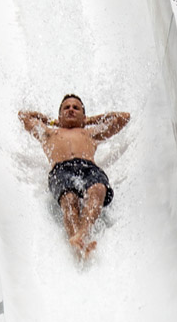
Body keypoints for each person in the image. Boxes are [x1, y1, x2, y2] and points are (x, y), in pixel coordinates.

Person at [18, 94, 130, 258]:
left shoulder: (90, 133)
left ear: (83, 116)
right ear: (59, 115)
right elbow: (24, 116)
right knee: (69, 198)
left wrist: (88, 121)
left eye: (76, 108)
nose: (71, 110)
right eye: (66, 108)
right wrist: (52, 121)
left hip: (88, 167)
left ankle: (83, 233)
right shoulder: (49, 133)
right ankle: (75, 238)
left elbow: (123, 118)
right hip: (61, 169)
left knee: (98, 189)